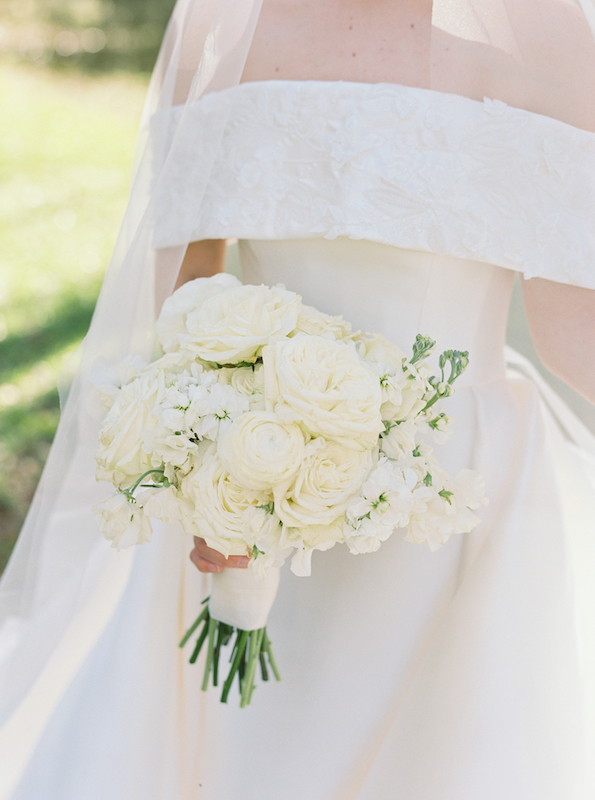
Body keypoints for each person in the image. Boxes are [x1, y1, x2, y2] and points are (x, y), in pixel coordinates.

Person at [1, 0, 595, 798]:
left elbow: (182, 302)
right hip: (282, 497)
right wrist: (210, 480)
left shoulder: (221, 29)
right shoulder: (539, 32)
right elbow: (573, 337)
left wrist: (215, 452)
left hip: (380, 499)